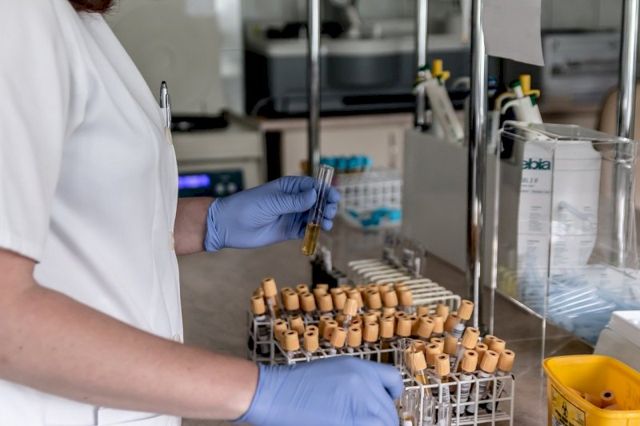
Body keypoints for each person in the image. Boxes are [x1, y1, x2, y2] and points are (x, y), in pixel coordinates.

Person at [0, 0, 403, 425]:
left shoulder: (77, 21)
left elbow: (74, 222)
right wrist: (258, 391)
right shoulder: (18, 14)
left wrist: (208, 221)